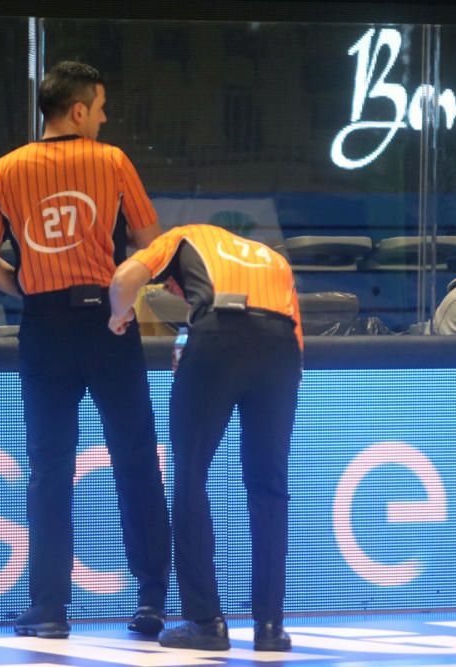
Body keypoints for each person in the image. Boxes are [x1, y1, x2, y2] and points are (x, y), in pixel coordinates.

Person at [0, 60, 170, 639]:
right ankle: (152, 602)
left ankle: (50, 609)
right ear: (78, 111)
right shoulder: (111, 161)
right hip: (108, 320)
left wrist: (29, 289)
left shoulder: (5, 169)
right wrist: (119, 295)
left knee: (49, 469)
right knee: (135, 459)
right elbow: (148, 245)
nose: (105, 118)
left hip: (45, 328)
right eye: (101, 108)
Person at [109, 223, 303, 652]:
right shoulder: (275, 259)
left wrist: (118, 314)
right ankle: (271, 627)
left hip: (217, 337)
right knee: (270, 486)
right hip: (280, 347)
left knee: (191, 476)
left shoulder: (183, 236)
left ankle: (205, 622)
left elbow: (125, 280)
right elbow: (297, 342)